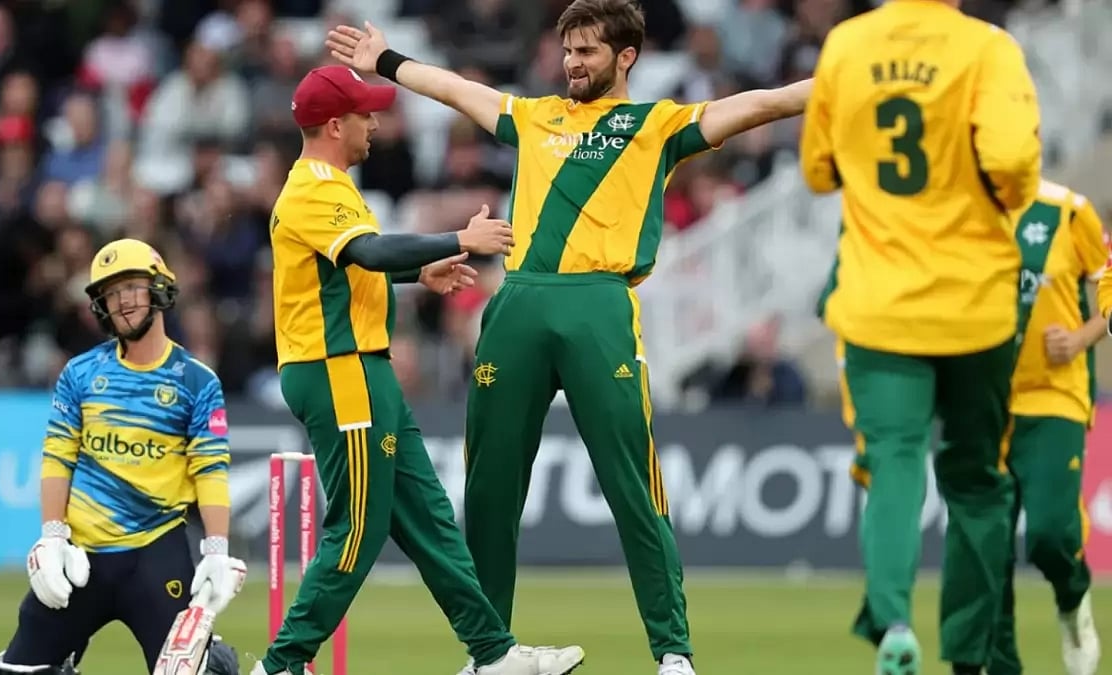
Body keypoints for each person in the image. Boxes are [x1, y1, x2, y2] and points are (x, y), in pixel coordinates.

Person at [325, 2, 811, 673]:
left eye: (587, 52)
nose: (572, 64)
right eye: (568, 51)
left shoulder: (657, 126)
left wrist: (844, 80)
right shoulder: (535, 117)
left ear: (626, 57)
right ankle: (490, 654)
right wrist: (385, 61)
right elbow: (458, 90)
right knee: (490, 489)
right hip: (518, 304)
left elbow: (762, 103)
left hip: (599, 307)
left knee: (632, 486)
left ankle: (673, 653)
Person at [251, 64, 586, 675]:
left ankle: (493, 653)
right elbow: (370, 251)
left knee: (429, 520)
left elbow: (351, 268)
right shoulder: (314, 189)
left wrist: (417, 271)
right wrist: (458, 239)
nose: (374, 124)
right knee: (358, 529)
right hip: (339, 372)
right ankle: (280, 665)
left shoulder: (329, 185)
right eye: (364, 114)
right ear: (335, 125)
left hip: (359, 371)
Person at [800, 0, 1042, 672]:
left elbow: (817, 169)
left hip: (879, 305)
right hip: (976, 306)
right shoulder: (988, 49)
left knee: (893, 464)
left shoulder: (847, 44)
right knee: (978, 481)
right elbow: (1013, 162)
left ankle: (893, 622)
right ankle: (972, 654)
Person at [0, 238, 247, 675]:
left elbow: (211, 469)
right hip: (82, 559)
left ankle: (212, 660)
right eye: (111, 293)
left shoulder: (197, 381)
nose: (122, 302)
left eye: (132, 287)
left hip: (155, 554)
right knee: (14, 672)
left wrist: (217, 550)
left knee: (192, 673)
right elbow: (58, 457)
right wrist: (52, 537)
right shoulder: (81, 373)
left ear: (159, 289)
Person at [987, 180, 1105, 675]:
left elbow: (1109, 278)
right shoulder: (962, 205)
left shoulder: (1068, 210)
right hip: (985, 403)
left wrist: (1080, 338)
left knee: (1050, 535)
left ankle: (1072, 599)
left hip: (1053, 395)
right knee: (986, 552)